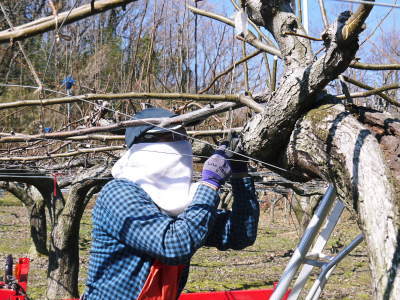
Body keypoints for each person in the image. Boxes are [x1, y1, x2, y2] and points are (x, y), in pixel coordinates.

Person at [83, 107, 260, 300]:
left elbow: (241, 234)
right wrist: (209, 185)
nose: (183, 145)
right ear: (145, 147)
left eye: (184, 138)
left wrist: (240, 176)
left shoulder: (181, 200)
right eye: (173, 137)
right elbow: (174, 245)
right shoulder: (118, 194)